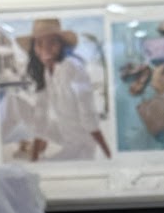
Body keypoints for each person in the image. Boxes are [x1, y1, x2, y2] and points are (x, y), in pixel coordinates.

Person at [21, 18, 112, 163]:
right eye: (39, 43)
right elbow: (41, 115)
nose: (45, 48)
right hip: (68, 139)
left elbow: (89, 117)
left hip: (82, 145)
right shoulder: (47, 72)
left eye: (52, 42)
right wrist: (34, 158)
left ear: (61, 45)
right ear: (34, 48)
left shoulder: (72, 67)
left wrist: (109, 156)